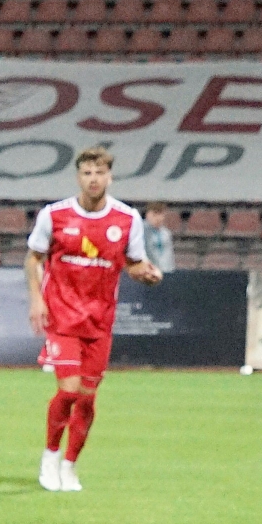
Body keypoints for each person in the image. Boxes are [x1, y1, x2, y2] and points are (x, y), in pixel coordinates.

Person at [26, 146, 162, 493]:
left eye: (100, 173)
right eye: (87, 173)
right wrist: (37, 299)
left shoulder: (127, 219)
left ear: (110, 177)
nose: (93, 179)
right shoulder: (54, 215)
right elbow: (33, 258)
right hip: (62, 316)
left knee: (87, 399)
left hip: (100, 321)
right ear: (78, 177)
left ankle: (70, 466)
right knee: (68, 391)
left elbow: (133, 263)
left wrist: (147, 274)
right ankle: (50, 455)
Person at [142, 201, 175, 272]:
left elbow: (169, 255)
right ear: (148, 214)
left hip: (165, 270)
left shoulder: (166, 233)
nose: (158, 218)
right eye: (155, 214)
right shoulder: (141, 230)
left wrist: (170, 269)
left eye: (161, 214)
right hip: (146, 271)